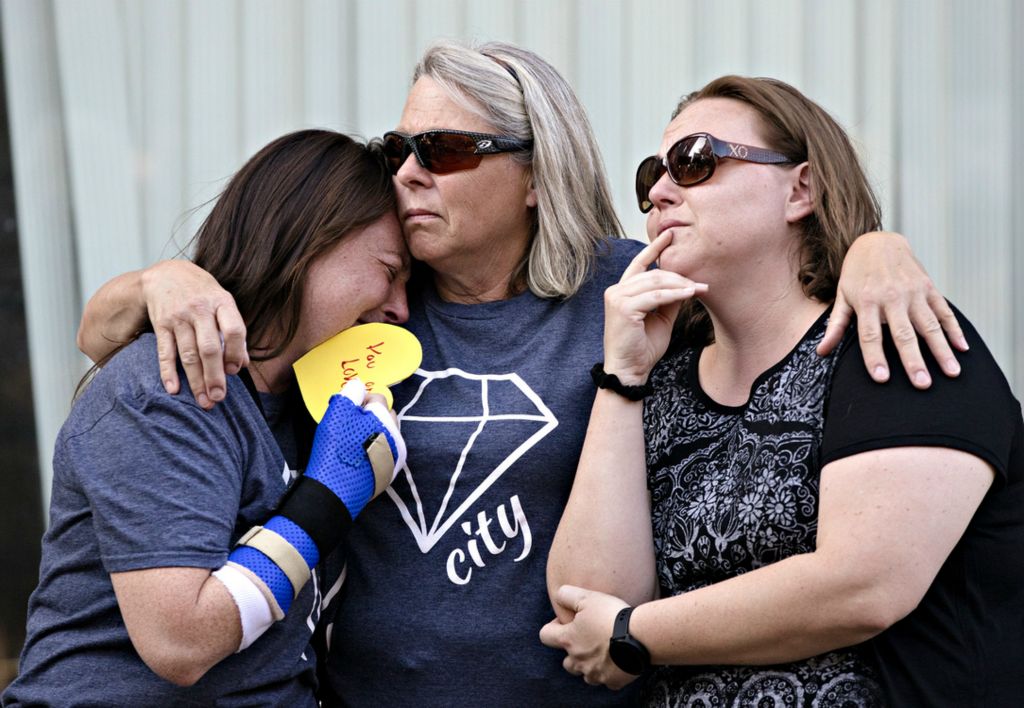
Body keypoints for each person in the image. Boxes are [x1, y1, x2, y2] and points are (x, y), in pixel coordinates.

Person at [74, 42, 967, 705]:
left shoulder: (631, 288)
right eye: (399, 150)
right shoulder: (367, 297)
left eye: (447, 151)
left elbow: (772, 282)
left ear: (538, 174)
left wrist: (873, 252)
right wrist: (162, 281)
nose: (410, 174)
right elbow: (117, 335)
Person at [541, 75, 1023, 707]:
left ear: (801, 189)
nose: (658, 192)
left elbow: (862, 588)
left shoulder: (894, 332)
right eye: (652, 174)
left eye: (695, 161)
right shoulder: (664, 377)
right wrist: (622, 375)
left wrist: (636, 634)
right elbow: (585, 607)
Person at [3, 130, 411, 706]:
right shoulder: (170, 385)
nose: (401, 308)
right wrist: (328, 498)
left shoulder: (312, 403)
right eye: (389, 271)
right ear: (309, 240)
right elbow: (180, 643)